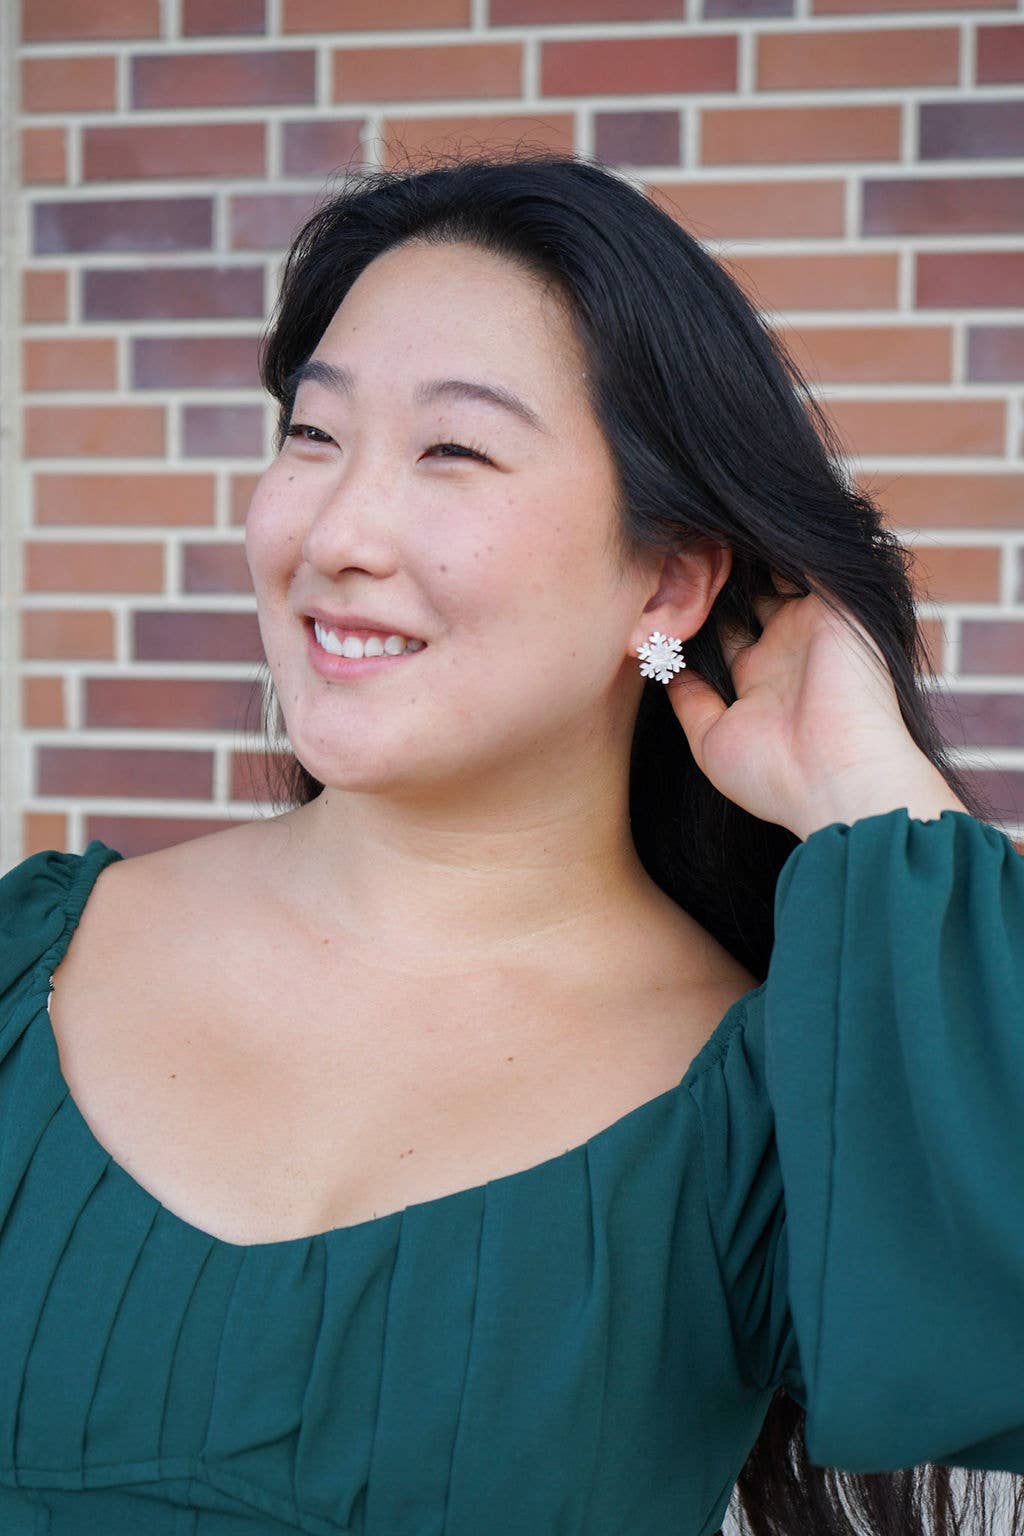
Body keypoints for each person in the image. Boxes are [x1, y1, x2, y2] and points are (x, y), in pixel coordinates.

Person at [1, 150, 1021, 1536]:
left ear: (666, 582)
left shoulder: (768, 1109)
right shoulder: (30, 960)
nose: (337, 532)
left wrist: (873, 799)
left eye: (453, 451)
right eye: (313, 434)